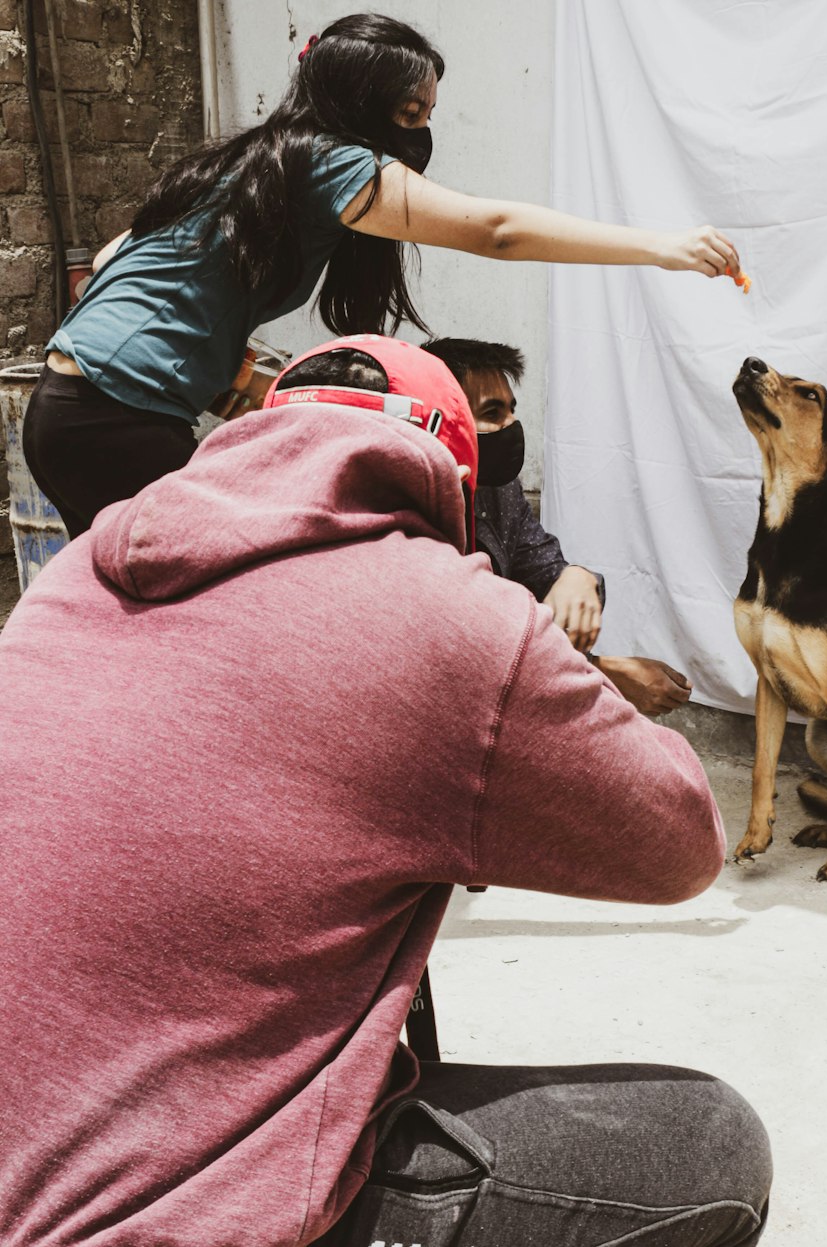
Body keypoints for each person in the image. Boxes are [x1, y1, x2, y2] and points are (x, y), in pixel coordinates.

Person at [0, 334, 770, 1246]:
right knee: (713, 1146)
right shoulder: (446, 613)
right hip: (152, 1214)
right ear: (443, 469)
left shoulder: (70, 582)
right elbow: (681, 841)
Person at [21, 11, 745, 540]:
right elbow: (496, 232)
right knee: (222, 607)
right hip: (116, 419)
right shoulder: (329, 159)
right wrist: (663, 247)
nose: (421, 132)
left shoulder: (255, 159)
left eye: (428, 113)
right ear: (359, 103)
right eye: (408, 112)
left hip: (66, 410)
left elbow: (110, 263)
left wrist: (226, 374)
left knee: (144, 611)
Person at [423, 336, 694, 717]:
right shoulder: (417, 510)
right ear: (447, 422)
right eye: (493, 412)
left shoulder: (501, 491)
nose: (511, 425)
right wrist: (605, 674)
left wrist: (578, 578)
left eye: (511, 410)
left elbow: (544, 573)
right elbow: (470, 652)